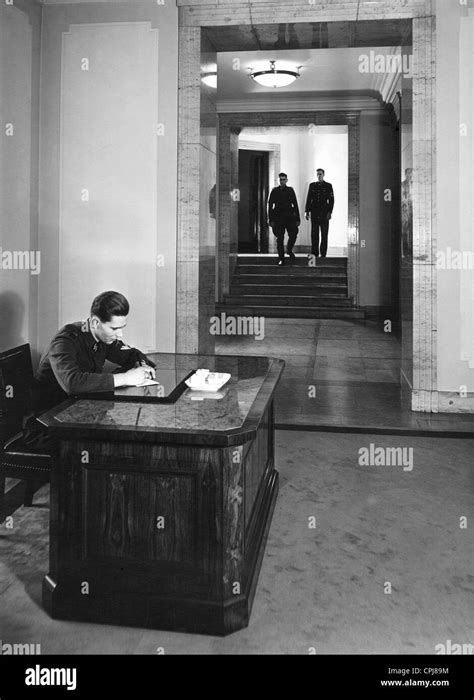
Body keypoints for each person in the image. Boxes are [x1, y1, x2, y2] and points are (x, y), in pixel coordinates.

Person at [24, 291, 156, 449]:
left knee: (128, 437)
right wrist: (126, 378)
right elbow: (72, 383)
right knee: (116, 443)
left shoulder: (103, 337)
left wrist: (141, 365)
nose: (120, 335)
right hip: (48, 427)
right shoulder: (65, 340)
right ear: (95, 323)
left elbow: (132, 354)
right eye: (114, 328)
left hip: (79, 417)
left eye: (122, 328)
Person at [268, 172, 301, 266]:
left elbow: (295, 204)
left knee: (294, 234)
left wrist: (297, 218)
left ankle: (289, 250)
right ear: (278, 180)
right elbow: (270, 205)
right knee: (280, 238)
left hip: (290, 216)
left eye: (283, 179)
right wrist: (270, 219)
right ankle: (281, 258)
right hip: (278, 217)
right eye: (280, 179)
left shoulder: (290, 190)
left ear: (286, 180)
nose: (282, 181)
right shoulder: (274, 191)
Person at [305, 169, 335, 259]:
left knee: (324, 234)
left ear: (323, 175)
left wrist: (330, 212)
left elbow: (331, 200)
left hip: (324, 213)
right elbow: (309, 199)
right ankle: (314, 252)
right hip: (314, 212)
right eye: (317, 174)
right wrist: (307, 211)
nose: (319, 176)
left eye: (320, 174)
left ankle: (323, 253)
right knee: (314, 234)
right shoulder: (312, 185)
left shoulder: (328, 186)